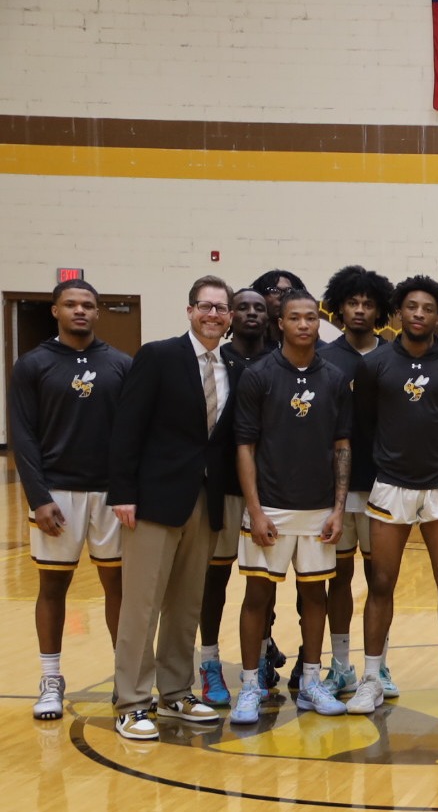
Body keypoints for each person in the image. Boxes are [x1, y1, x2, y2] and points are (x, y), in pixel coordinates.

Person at [107, 276, 239, 740]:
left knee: (186, 604)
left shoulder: (234, 366)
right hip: (153, 500)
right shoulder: (159, 356)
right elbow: (127, 427)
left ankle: (177, 692)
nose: (214, 314)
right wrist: (122, 491)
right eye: (205, 306)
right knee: (142, 606)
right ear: (189, 311)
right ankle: (131, 702)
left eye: (222, 308)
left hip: (205, 501)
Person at [348, 275, 438, 714]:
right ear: (399, 312)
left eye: (427, 308)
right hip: (390, 486)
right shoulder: (375, 365)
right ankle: (371, 677)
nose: (419, 314)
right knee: (381, 583)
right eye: (411, 307)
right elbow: (366, 421)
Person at [227, 290, 352, 722]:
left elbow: (342, 446)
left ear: (319, 323)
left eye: (311, 317)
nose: (304, 324)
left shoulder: (335, 378)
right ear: (279, 323)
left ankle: (312, 682)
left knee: (314, 595)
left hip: (318, 510)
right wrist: (255, 510)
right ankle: (249, 686)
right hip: (272, 508)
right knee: (257, 596)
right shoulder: (259, 375)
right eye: (295, 317)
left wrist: (338, 509)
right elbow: (245, 446)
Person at [13, 279, 131, 721]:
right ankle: (50, 678)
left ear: (98, 312)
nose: (80, 311)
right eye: (71, 304)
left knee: (116, 587)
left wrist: (127, 492)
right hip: (56, 493)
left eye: (88, 305)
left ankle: (126, 678)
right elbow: (22, 434)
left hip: (109, 495)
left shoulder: (120, 364)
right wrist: (38, 496)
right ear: (56, 311)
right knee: (53, 586)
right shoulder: (34, 364)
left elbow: (129, 434)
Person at [197, 286, 280, 708]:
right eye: (242, 307)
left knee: (263, 585)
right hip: (221, 488)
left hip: (267, 492)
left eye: (258, 308)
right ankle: (209, 661)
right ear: (230, 316)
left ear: (270, 316)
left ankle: (264, 653)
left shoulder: (279, 362)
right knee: (214, 579)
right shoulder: (217, 360)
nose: (250, 313)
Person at [315, 265, 394, 697]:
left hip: (385, 486)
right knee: (338, 578)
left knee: (381, 579)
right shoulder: (324, 358)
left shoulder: (395, 356)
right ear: (340, 307)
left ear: (380, 309)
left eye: (368, 303)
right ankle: (341, 664)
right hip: (337, 490)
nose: (360, 309)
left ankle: (378, 667)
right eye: (352, 302)